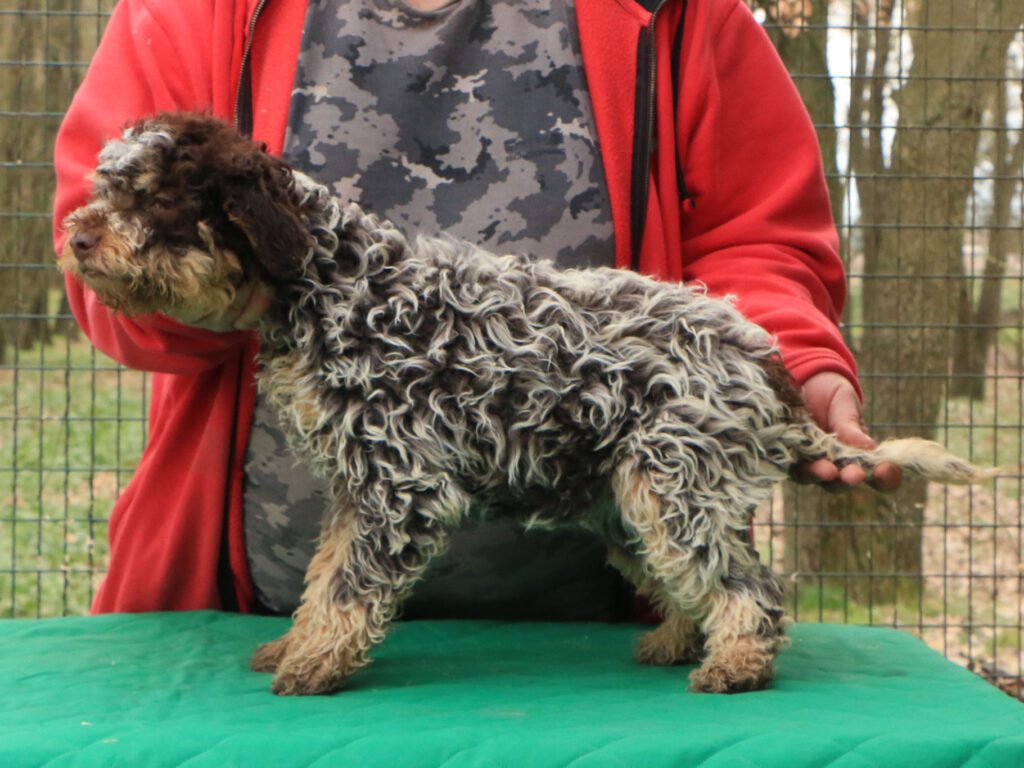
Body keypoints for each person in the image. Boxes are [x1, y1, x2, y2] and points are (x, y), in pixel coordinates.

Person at [53, 0, 900, 618]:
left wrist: (791, 358)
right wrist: (187, 296)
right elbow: (98, 238)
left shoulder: (680, 14)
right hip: (258, 606)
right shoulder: (194, 10)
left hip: (597, 633)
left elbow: (759, 234)